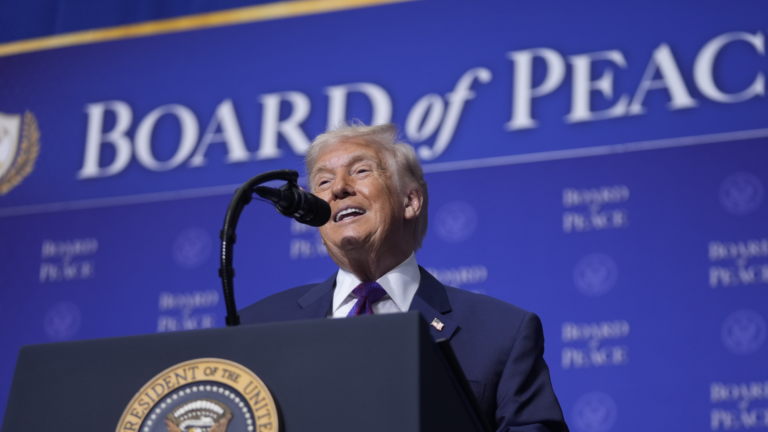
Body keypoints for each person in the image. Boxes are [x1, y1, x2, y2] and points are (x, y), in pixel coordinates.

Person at [240, 122, 569, 432]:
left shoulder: (501, 334)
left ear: (410, 201)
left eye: (361, 171)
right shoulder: (256, 328)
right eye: (323, 182)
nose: (338, 188)